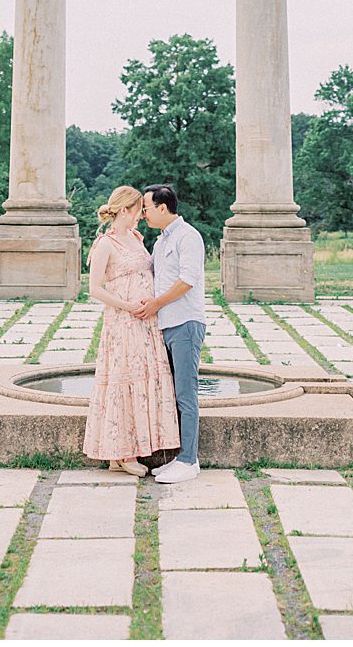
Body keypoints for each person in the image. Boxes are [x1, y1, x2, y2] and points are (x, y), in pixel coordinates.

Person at [83, 185, 180, 475]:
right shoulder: (105, 244)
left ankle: (126, 453)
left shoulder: (137, 239)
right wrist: (127, 306)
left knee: (144, 382)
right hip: (124, 323)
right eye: (139, 210)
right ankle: (121, 454)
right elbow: (94, 288)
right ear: (125, 210)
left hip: (146, 322)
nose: (141, 216)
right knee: (123, 384)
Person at [135, 185, 207, 483]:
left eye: (146, 208)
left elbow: (187, 280)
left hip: (186, 323)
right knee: (171, 394)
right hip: (166, 324)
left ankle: (190, 461)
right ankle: (180, 457)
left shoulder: (188, 237)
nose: (143, 214)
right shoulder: (160, 241)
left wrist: (155, 304)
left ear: (162, 208)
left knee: (186, 394)